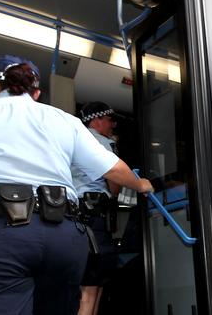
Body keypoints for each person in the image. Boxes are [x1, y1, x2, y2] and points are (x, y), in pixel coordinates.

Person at [0, 55, 153, 315]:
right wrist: (142, 185)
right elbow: (113, 169)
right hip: (65, 237)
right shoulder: (65, 121)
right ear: (36, 92)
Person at [72, 101, 121, 315]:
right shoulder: (102, 143)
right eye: (110, 120)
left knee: (90, 284)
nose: (113, 125)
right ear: (97, 120)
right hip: (94, 216)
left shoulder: (73, 140)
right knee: (92, 288)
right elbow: (115, 186)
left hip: (73, 215)